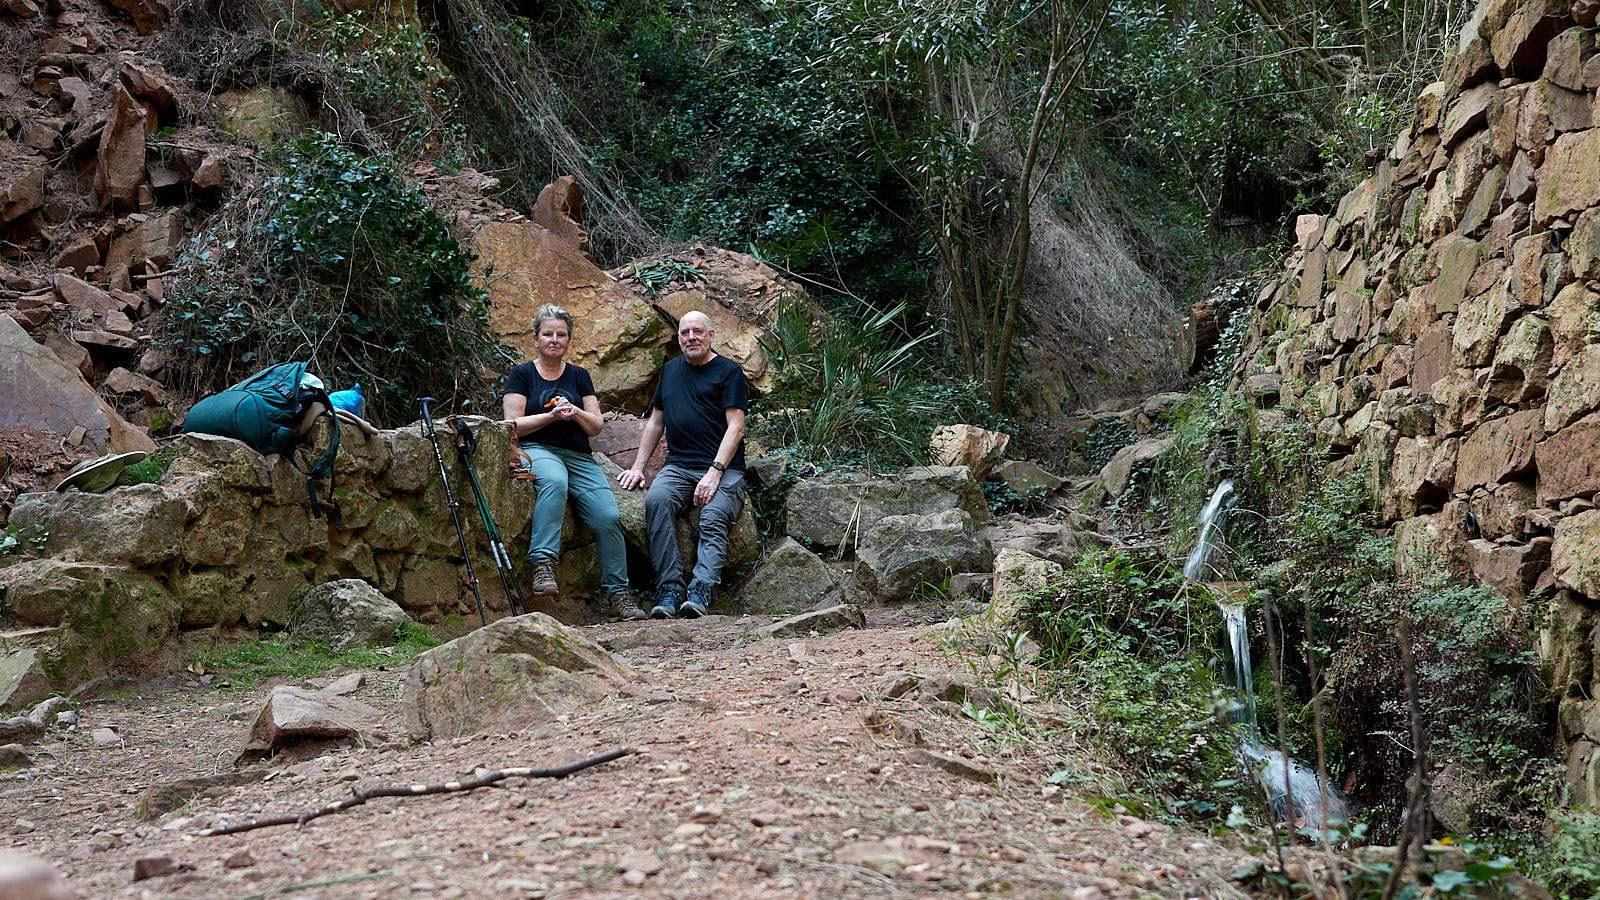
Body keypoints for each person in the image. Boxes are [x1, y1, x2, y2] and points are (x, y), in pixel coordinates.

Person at [503, 304, 648, 622]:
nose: (554, 340)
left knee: (608, 515)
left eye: (561, 334)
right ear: (536, 339)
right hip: (538, 448)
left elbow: (596, 426)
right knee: (555, 481)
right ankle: (543, 564)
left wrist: (575, 410)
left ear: (568, 340)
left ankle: (618, 594)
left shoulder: (579, 376)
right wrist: (551, 416)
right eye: (548, 334)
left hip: (580, 456)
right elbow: (512, 424)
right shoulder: (522, 374)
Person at [619, 310, 749, 619]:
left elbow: (736, 428)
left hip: (725, 468)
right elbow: (656, 423)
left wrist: (714, 472)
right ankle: (670, 588)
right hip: (678, 466)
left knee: (713, 515)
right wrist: (638, 467)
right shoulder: (670, 370)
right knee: (656, 500)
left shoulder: (729, 372)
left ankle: (702, 588)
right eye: (685, 332)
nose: (691, 337)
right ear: (678, 338)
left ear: (711, 335)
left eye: (697, 331)